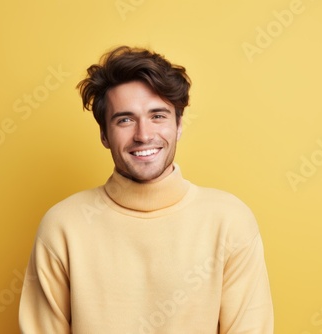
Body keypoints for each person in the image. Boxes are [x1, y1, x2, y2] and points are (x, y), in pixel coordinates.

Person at [19, 46, 274, 333]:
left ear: (178, 125)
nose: (143, 135)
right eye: (125, 119)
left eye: (158, 116)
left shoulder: (230, 221)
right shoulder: (63, 226)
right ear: (104, 134)